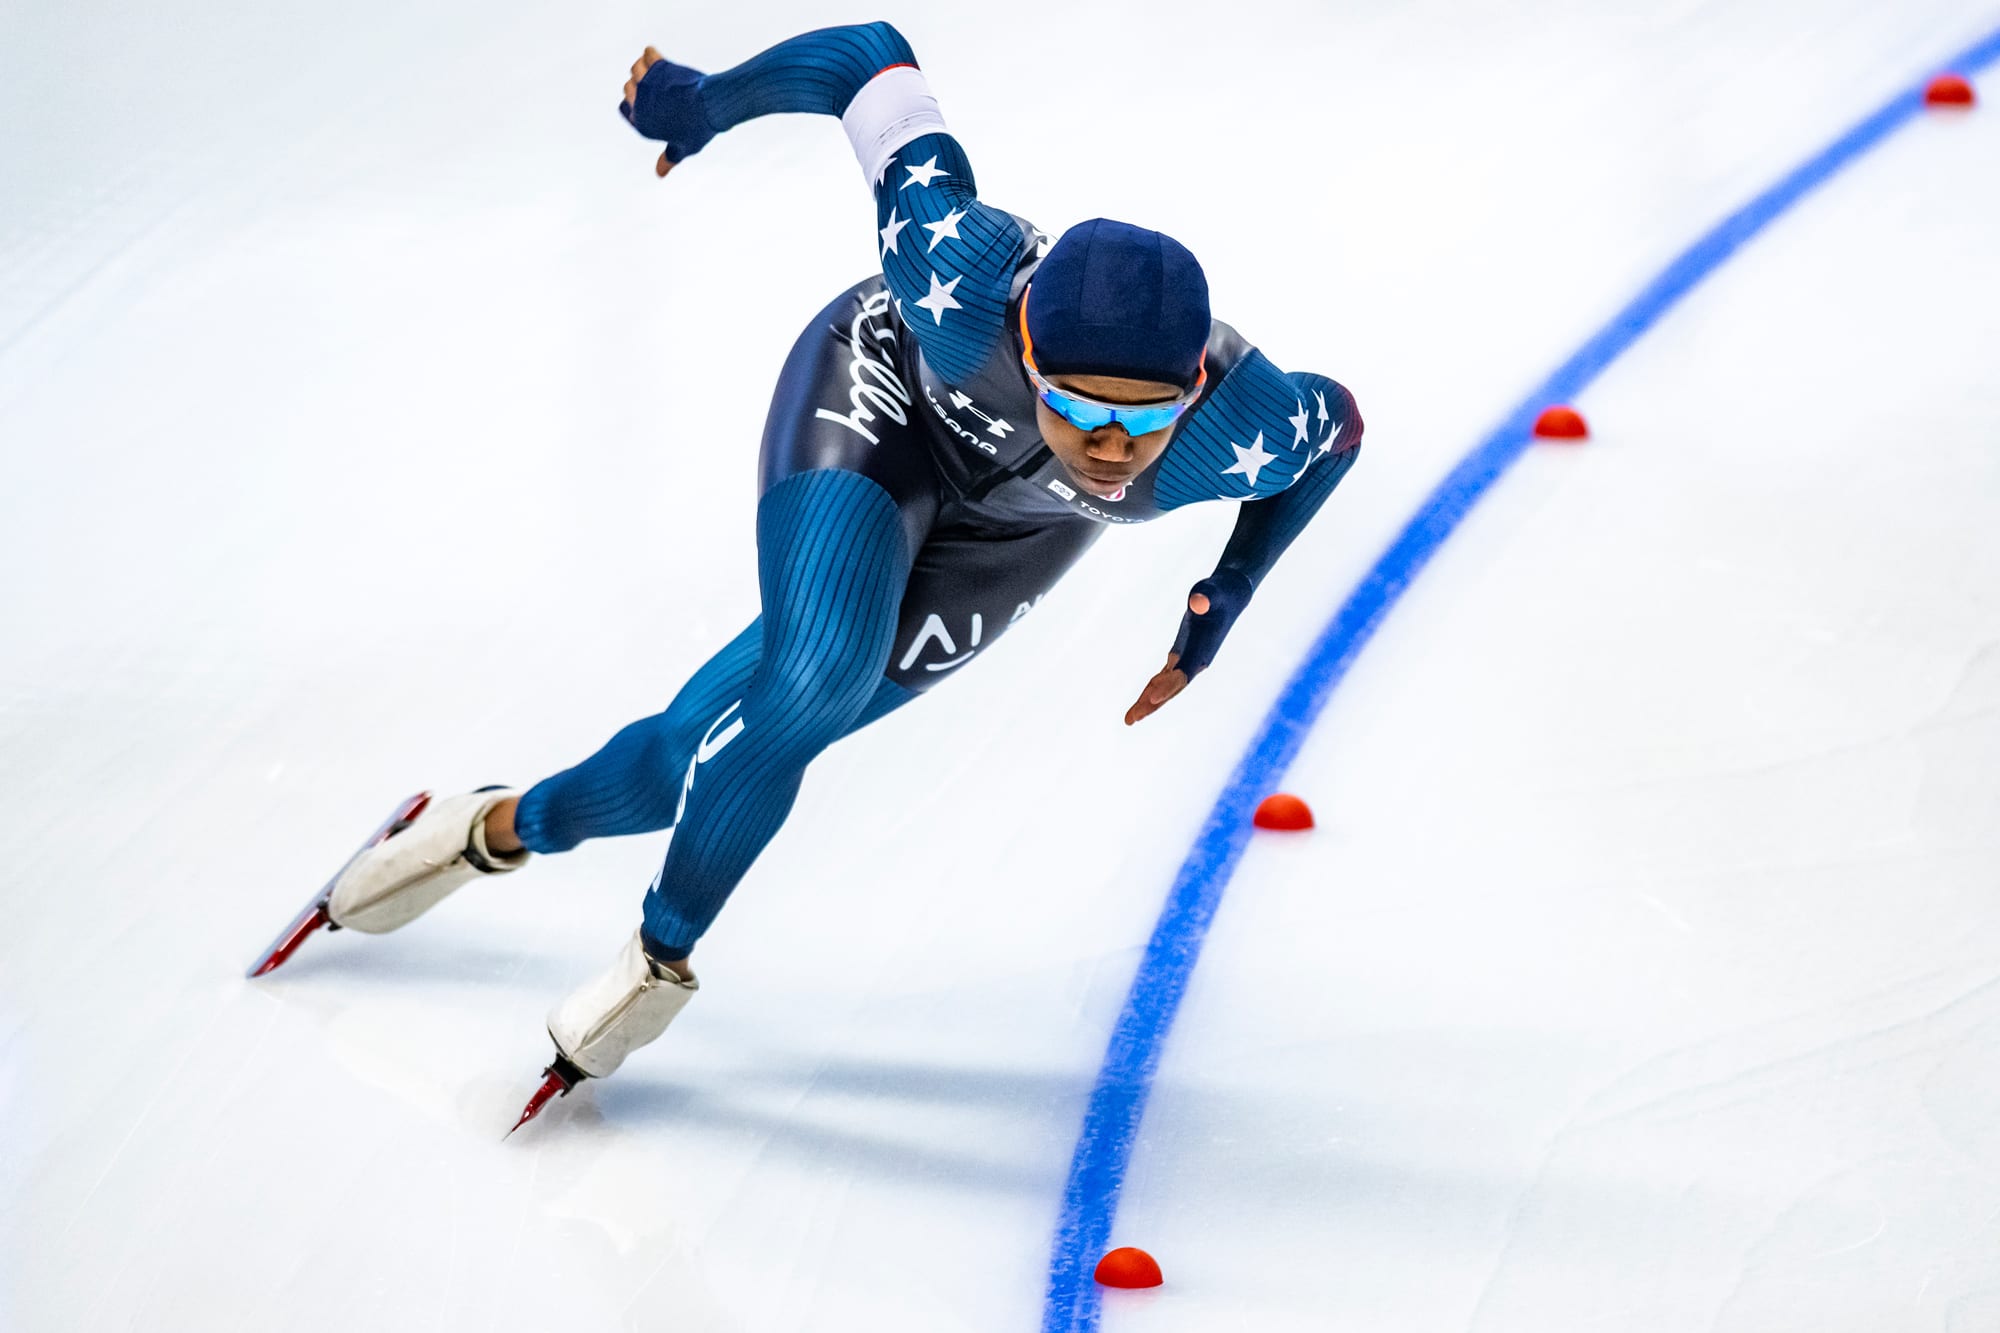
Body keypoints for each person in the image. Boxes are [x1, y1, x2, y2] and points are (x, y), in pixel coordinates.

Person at [256, 21, 1363, 1128]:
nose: (1110, 447)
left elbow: (1340, 433)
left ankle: (489, 826)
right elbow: (866, 59)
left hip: (1014, 532)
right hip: (880, 401)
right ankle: (657, 960)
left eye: (1144, 419)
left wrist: (1230, 587)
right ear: (1023, 349)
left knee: (684, 763)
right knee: (814, 680)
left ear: (1192, 397)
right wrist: (700, 105)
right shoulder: (955, 270)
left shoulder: (1247, 424)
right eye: (1075, 405)